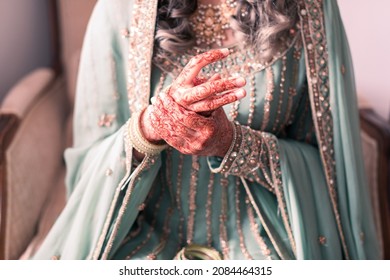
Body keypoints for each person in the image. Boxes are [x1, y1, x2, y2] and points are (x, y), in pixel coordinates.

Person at [32, 0, 380, 260]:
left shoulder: (309, 10)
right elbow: (90, 162)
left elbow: (330, 172)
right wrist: (150, 128)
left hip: (268, 241)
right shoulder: (124, 8)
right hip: (140, 240)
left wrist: (234, 144)